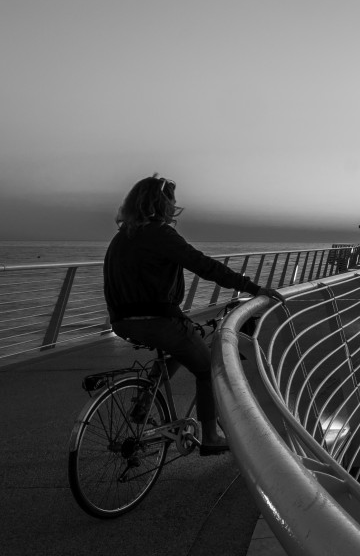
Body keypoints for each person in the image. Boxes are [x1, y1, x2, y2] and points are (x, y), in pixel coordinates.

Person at [103, 175, 283, 455]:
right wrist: (252, 287)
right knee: (207, 368)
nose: (173, 208)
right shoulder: (160, 234)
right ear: (161, 205)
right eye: (171, 202)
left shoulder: (120, 238)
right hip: (157, 321)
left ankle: (144, 399)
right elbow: (204, 266)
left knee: (186, 340)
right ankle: (210, 436)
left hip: (122, 321)